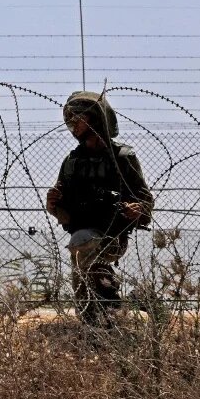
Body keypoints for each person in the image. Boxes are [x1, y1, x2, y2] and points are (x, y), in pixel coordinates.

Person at [45, 91, 154, 327]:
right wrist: (52, 204)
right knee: (82, 247)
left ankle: (98, 316)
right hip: (82, 233)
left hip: (114, 235)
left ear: (95, 118)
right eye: (69, 120)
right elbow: (62, 210)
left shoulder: (122, 158)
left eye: (77, 118)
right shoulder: (72, 162)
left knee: (83, 248)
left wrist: (139, 209)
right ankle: (100, 317)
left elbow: (146, 200)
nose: (72, 125)